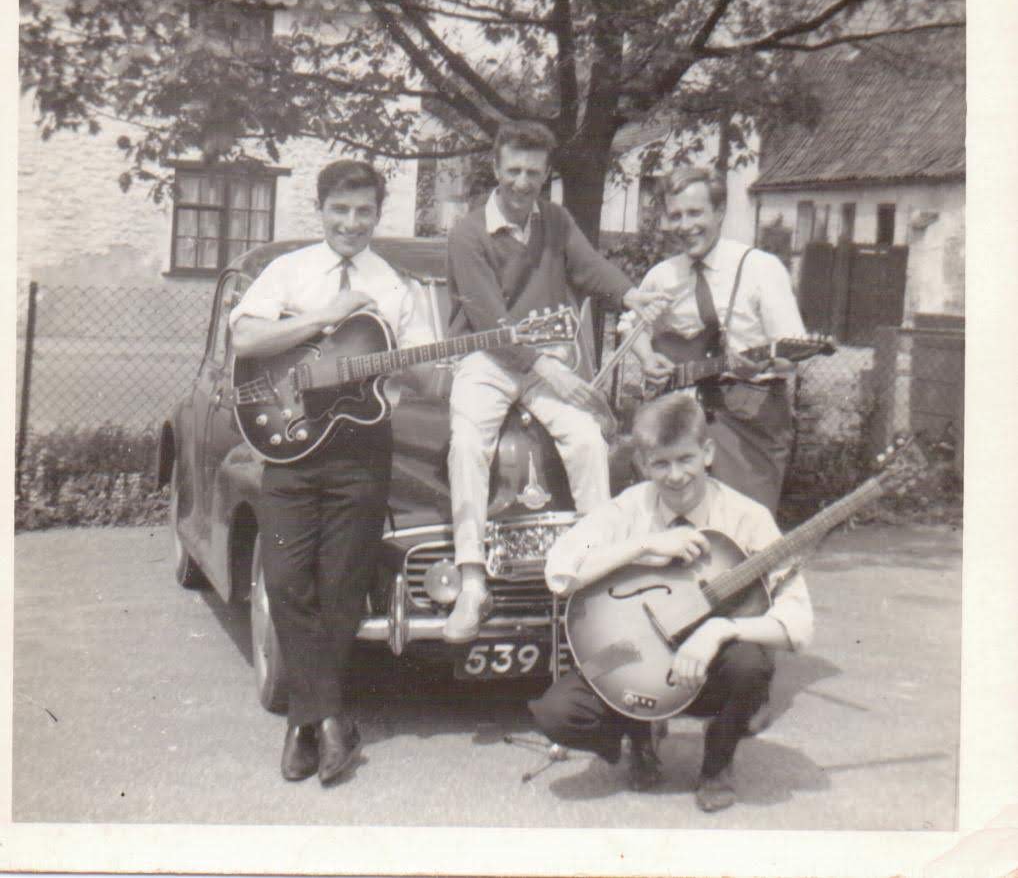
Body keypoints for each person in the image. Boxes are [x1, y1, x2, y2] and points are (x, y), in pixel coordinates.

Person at [230, 159, 435, 786]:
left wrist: (416, 361)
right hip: (290, 448)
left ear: (378, 214)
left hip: (361, 449)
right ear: (321, 210)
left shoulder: (398, 287)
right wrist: (325, 318)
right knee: (289, 578)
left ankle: (304, 723)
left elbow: (426, 373)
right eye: (341, 211)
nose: (352, 223)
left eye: (364, 212)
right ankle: (330, 718)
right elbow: (245, 341)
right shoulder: (287, 272)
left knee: (343, 582)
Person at [529, 392, 813, 811]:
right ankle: (639, 733)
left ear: (708, 453)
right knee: (556, 713)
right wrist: (644, 545)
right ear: (643, 464)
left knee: (751, 665)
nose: (676, 476)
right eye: (661, 464)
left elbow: (800, 624)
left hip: (710, 668)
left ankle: (718, 760)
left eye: (686, 459)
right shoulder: (630, 508)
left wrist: (721, 630)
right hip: (632, 652)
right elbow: (559, 570)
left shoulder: (747, 517)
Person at [442, 120, 668, 642]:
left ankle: (597, 573)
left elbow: (592, 269)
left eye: (534, 173)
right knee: (468, 443)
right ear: (496, 170)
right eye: (514, 170)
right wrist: (546, 369)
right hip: (485, 358)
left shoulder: (556, 220)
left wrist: (633, 296)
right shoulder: (467, 233)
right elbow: (487, 318)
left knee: (588, 440)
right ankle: (472, 579)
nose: (523, 182)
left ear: (545, 176)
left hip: (545, 358)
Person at [626, 166, 807, 514]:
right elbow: (630, 326)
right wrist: (647, 357)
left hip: (748, 417)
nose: (685, 225)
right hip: (679, 418)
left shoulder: (761, 269)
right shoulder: (662, 276)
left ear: (720, 212)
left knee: (744, 531)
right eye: (676, 215)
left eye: (695, 213)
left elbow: (791, 355)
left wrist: (759, 365)